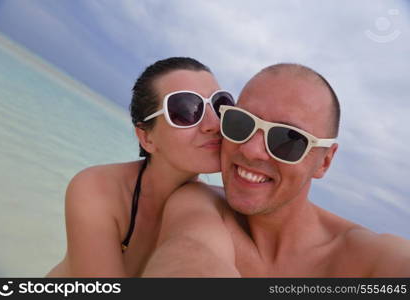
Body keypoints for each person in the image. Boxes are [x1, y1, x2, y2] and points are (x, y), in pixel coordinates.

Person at [143, 63, 410, 277]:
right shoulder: (198, 203)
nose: (251, 150)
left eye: (288, 139)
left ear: (325, 161)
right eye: (240, 123)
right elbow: (191, 252)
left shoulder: (376, 260)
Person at [46, 57, 234, 277]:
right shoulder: (98, 190)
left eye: (221, 106)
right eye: (186, 110)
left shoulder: (217, 209)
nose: (214, 124)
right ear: (146, 137)